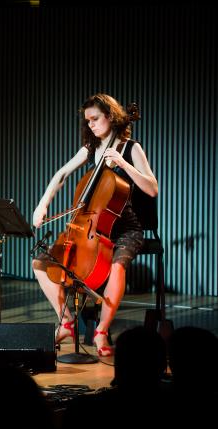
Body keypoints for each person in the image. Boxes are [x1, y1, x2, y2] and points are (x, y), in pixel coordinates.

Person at [31, 93, 158, 356]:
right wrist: (43, 204)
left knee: (117, 267)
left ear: (110, 117)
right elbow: (62, 174)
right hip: (92, 227)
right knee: (40, 263)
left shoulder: (131, 147)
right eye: (87, 120)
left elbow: (152, 189)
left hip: (125, 228)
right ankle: (66, 322)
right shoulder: (91, 149)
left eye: (95, 118)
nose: (90, 124)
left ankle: (101, 332)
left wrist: (123, 163)